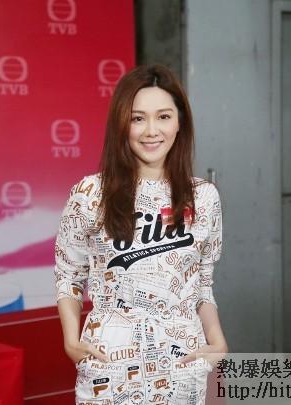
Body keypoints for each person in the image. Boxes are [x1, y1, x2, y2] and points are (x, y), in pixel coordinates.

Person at [55, 64, 227, 404]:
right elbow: (69, 275)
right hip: (109, 369)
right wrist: (71, 341)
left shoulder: (204, 197)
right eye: (138, 118)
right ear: (122, 124)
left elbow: (203, 283)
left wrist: (217, 341)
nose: (151, 131)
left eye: (163, 117)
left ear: (179, 123)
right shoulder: (90, 193)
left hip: (183, 368)